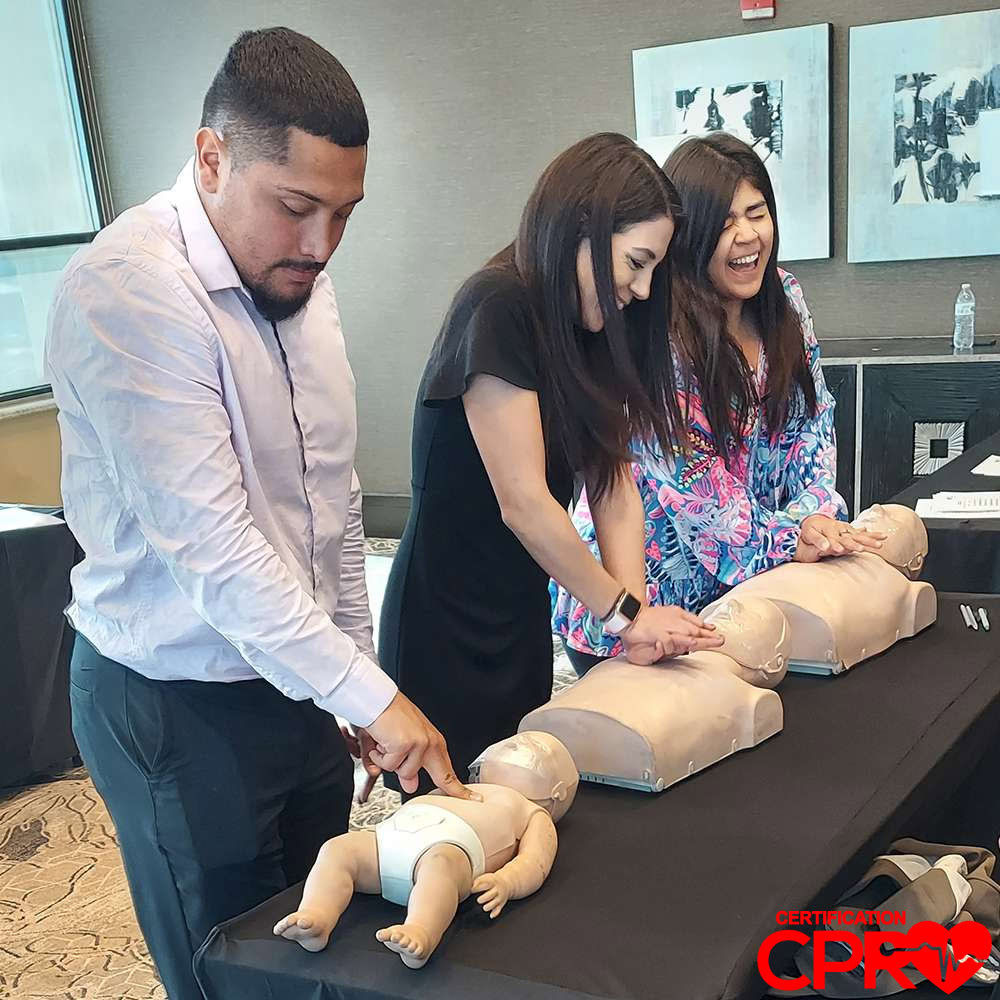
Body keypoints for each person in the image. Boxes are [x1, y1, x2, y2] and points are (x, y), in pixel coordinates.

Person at [45, 28, 467, 1000]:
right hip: (175, 701)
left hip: (294, 676)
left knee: (315, 946)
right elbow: (217, 551)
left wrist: (355, 681)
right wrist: (373, 699)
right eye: (296, 207)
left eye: (343, 213)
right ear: (211, 158)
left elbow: (330, 505)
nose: (321, 244)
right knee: (227, 968)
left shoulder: (296, 279)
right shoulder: (130, 293)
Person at [377, 133, 723, 799]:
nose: (643, 289)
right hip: (444, 622)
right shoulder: (497, 307)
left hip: (518, 611)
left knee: (528, 802)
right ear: (584, 229)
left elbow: (613, 481)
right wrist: (620, 614)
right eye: (636, 263)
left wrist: (635, 618)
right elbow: (524, 503)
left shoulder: (588, 328)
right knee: (454, 827)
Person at [553, 132, 884, 675]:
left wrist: (815, 515)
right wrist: (789, 537)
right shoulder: (655, 331)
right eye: (726, 222)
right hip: (648, 604)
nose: (748, 235)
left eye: (757, 213)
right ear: (689, 236)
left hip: (755, 581)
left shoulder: (786, 297)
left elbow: (813, 424)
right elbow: (694, 481)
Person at [274, 731, 578, 969]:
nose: (516, 750)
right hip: (388, 839)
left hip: (451, 848)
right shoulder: (462, 785)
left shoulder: (533, 812)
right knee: (338, 849)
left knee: (439, 870)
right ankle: (316, 915)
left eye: (534, 751)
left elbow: (536, 861)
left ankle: (421, 931)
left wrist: (507, 882)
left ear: (557, 791)